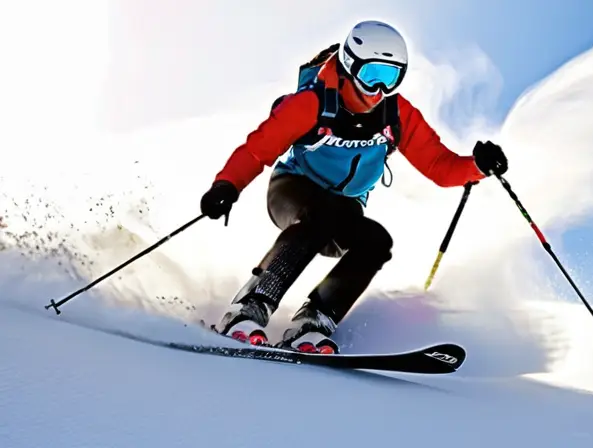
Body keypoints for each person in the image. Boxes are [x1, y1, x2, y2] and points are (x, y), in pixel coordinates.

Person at [199, 20, 508, 354]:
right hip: (293, 188)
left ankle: (314, 321)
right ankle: (248, 308)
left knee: (376, 242)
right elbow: (258, 150)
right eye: (371, 74)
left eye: (390, 78)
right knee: (317, 217)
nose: (378, 89)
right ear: (349, 64)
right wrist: (226, 186)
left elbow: (439, 166)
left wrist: (478, 166)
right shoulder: (312, 103)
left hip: (345, 205)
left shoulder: (396, 114)